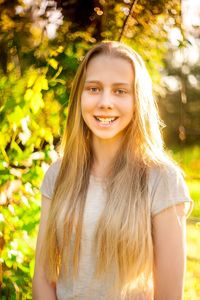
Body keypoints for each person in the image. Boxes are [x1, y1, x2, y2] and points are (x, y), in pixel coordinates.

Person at [32, 41, 193, 300]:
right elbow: (42, 276)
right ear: (80, 97)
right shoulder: (57, 175)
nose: (105, 102)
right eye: (94, 88)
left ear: (137, 101)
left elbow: (169, 295)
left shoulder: (162, 180)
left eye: (120, 91)